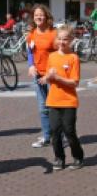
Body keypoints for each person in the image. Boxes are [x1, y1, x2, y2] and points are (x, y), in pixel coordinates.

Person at [39, 25, 84, 170]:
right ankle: (59, 158)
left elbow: (74, 82)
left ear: (70, 40)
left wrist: (57, 77)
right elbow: (49, 77)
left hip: (69, 101)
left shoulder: (73, 58)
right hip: (53, 100)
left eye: (65, 39)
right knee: (54, 131)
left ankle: (78, 157)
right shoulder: (52, 57)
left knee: (69, 131)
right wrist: (47, 78)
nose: (62, 41)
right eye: (59, 38)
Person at [26, 4, 57, 148]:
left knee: (55, 107)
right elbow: (30, 52)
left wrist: (52, 72)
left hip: (52, 76)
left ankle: (60, 136)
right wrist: (31, 65)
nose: (39, 17)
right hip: (38, 75)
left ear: (47, 16)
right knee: (43, 107)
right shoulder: (31, 33)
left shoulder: (53, 33)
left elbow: (60, 54)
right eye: (36, 15)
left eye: (41, 14)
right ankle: (46, 136)